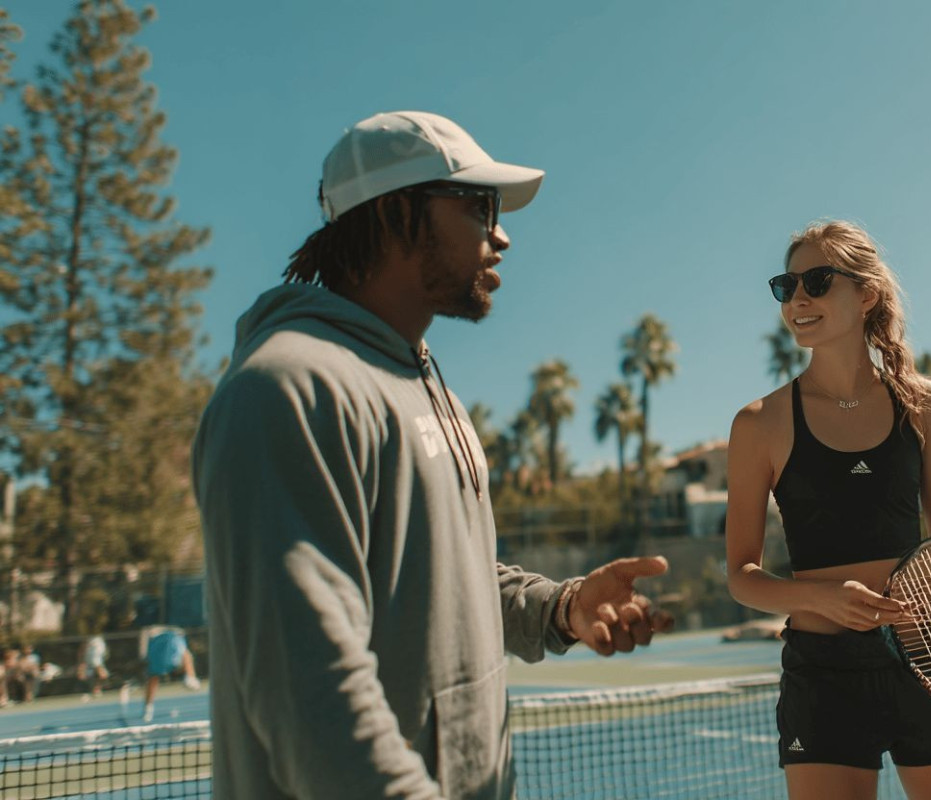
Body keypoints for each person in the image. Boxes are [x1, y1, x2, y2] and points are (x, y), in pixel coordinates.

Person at [192, 110, 674, 800]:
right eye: (480, 207)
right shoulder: (286, 390)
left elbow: (446, 581)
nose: (502, 235)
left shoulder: (422, 384)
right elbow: (311, 701)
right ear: (393, 214)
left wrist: (560, 608)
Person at [725, 221, 931, 800]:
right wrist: (821, 599)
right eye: (786, 285)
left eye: (818, 281)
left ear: (866, 293)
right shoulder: (758, 424)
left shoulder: (926, 405)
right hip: (825, 678)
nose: (798, 298)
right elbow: (741, 576)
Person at [138, 626, 202, 723]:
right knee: (154, 675)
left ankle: (190, 677)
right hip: (157, 634)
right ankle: (148, 707)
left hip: (174, 633)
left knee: (185, 653)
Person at [75, 633, 109, 700]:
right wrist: (81, 663)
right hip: (88, 662)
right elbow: (81, 651)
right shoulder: (88, 645)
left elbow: (102, 674)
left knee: (102, 675)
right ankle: (92, 689)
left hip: (94, 660)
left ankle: (96, 689)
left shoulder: (97, 647)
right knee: (82, 676)